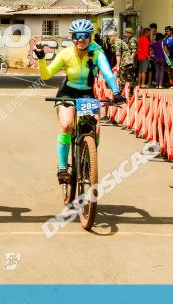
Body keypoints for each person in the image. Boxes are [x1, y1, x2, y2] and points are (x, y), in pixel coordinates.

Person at [34, 19, 123, 185]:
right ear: (72, 37)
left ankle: (89, 157)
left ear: (89, 37)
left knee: (95, 129)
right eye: (76, 36)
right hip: (67, 93)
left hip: (87, 94)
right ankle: (62, 168)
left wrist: (116, 92)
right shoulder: (66, 54)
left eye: (83, 36)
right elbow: (46, 76)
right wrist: (41, 60)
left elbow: (108, 74)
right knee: (67, 125)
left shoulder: (97, 54)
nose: (79, 39)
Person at [113, 27, 136, 96]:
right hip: (127, 60)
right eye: (126, 33)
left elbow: (134, 51)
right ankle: (129, 91)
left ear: (131, 33)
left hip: (128, 61)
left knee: (125, 75)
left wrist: (130, 60)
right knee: (129, 76)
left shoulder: (132, 40)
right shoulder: (128, 40)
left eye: (127, 33)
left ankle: (125, 90)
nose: (126, 34)